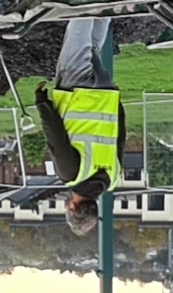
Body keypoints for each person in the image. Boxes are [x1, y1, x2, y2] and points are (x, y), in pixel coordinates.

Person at [34, 15, 121, 232]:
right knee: (79, 30)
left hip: (105, 94)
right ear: (72, 207)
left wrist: (113, 102)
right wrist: (42, 102)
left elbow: (120, 135)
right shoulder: (72, 175)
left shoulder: (113, 178)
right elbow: (56, 137)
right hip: (77, 92)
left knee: (92, 47)